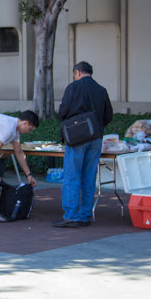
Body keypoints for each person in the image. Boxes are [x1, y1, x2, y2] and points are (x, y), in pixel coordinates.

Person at [55, 61, 113, 228]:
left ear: (78, 72)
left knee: (72, 176)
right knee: (89, 177)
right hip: (96, 137)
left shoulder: (73, 87)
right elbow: (108, 115)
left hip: (76, 137)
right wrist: (96, 126)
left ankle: (71, 216)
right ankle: (85, 216)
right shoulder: (101, 90)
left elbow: (63, 112)